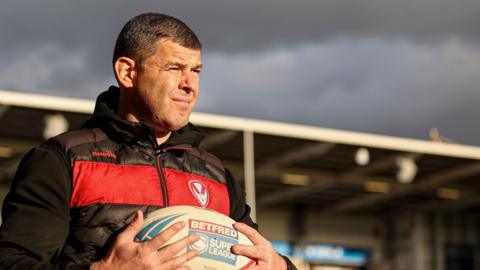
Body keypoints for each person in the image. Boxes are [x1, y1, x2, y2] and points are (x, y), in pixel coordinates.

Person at [0, 13, 296, 270]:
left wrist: (281, 266)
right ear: (128, 72)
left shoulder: (216, 175)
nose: (189, 85)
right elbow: (11, 262)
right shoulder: (63, 160)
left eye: (195, 71)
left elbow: (258, 255)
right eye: (174, 68)